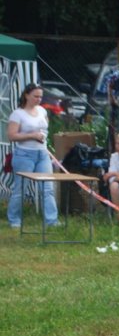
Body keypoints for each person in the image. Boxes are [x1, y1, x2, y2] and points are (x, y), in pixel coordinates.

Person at [7, 83, 59, 228]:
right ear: (26, 95)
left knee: (47, 188)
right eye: (35, 96)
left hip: (42, 153)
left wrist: (44, 141)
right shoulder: (18, 114)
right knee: (21, 188)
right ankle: (14, 219)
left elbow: (45, 131)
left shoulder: (42, 111)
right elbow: (11, 136)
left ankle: (51, 221)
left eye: (40, 97)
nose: (38, 99)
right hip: (24, 154)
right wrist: (31, 136)